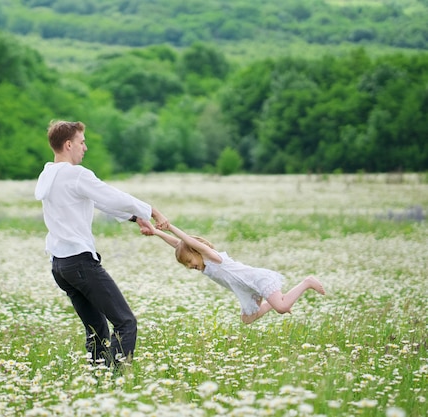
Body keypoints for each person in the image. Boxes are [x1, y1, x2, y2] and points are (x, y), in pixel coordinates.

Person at [34, 120, 169, 367]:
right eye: (81, 142)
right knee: (126, 323)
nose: (84, 148)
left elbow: (99, 201)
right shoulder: (75, 174)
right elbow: (111, 195)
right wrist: (152, 211)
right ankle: (114, 381)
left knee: (96, 331)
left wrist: (135, 217)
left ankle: (98, 382)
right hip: (79, 263)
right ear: (68, 144)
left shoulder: (48, 175)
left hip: (60, 266)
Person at [147, 223, 325, 324]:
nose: (189, 266)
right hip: (247, 288)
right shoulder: (203, 264)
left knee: (282, 308)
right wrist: (156, 232)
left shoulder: (213, 257)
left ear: (196, 251)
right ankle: (276, 299)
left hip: (257, 279)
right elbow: (178, 244)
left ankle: (307, 282)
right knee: (248, 319)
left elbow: (186, 240)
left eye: (189, 261)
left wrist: (170, 226)